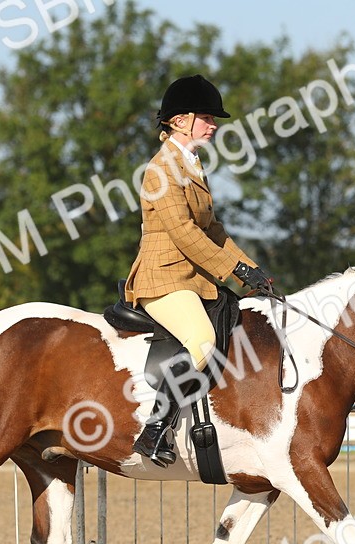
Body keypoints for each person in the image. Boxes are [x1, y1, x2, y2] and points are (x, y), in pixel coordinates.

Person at [124, 74, 274, 467]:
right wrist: (234, 269)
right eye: (207, 117)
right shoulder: (160, 170)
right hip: (162, 277)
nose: (214, 125)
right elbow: (185, 234)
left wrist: (252, 271)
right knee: (203, 340)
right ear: (179, 120)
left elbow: (214, 230)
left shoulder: (192, 165)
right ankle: (156, 430)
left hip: (193, 278)